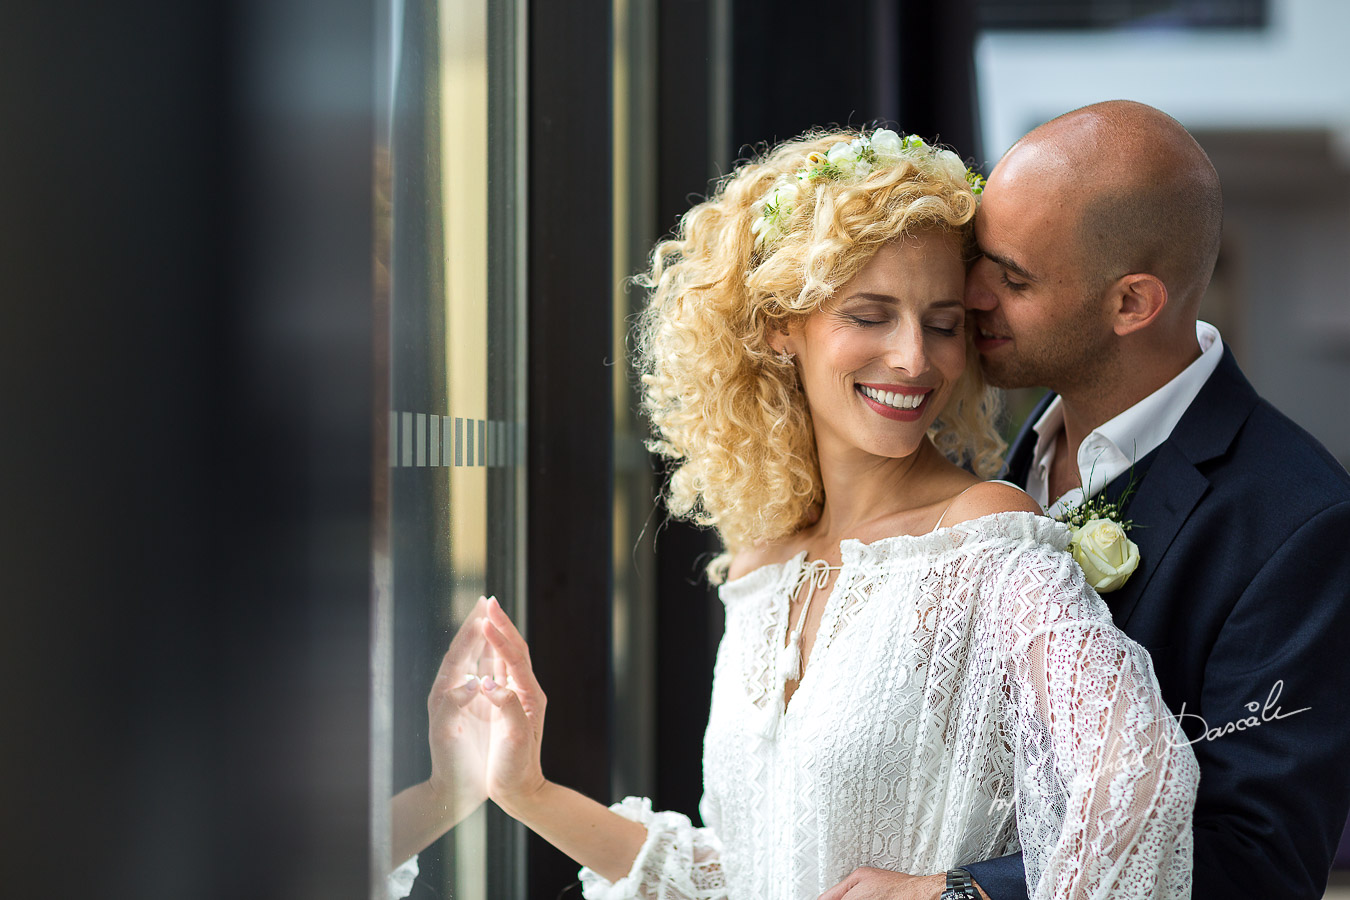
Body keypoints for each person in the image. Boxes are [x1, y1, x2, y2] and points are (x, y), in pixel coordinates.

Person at [455, 128, 1201, 900]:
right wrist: (526, 791)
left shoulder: (982, 540)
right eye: (871, 315)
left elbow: (1139, 778)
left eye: (943, 324)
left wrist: (955, 896)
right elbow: (750, 871)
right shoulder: (761, 564)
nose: (914, 357)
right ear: (783, 325)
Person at [957, 100, 1350, 900]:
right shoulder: (974, 460)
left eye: (1013, 277)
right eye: (977, 258)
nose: (969, 295)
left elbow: (1255, 864)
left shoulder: (1302, 522)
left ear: (1132, 304)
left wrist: (962, 893)